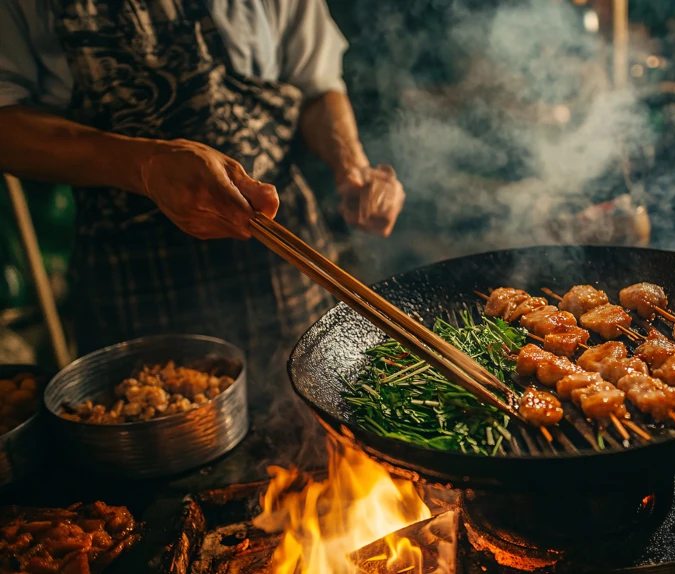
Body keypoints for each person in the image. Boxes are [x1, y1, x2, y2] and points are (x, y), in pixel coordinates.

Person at [0, 0, 406, 377]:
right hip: (132, 274)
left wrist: (351, 166)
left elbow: (316, 83)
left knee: (322, 424)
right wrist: (144, 165)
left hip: (287, 255)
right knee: (165, 440)